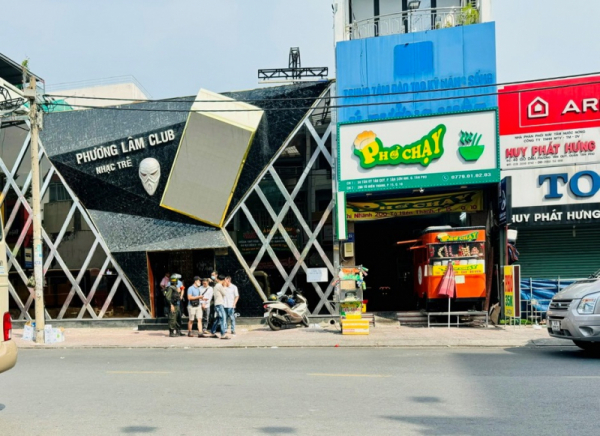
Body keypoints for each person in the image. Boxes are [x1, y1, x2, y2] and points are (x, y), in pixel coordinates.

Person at [209, 275, 230, 340]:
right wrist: (225, 286)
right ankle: (223, 334)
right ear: (223, 280)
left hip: (217, 304)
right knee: (223, 318)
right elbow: (225, 293)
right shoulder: (219, 286)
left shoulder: (216, 286)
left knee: (218, 318)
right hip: (219, 304)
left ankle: (212, 332)